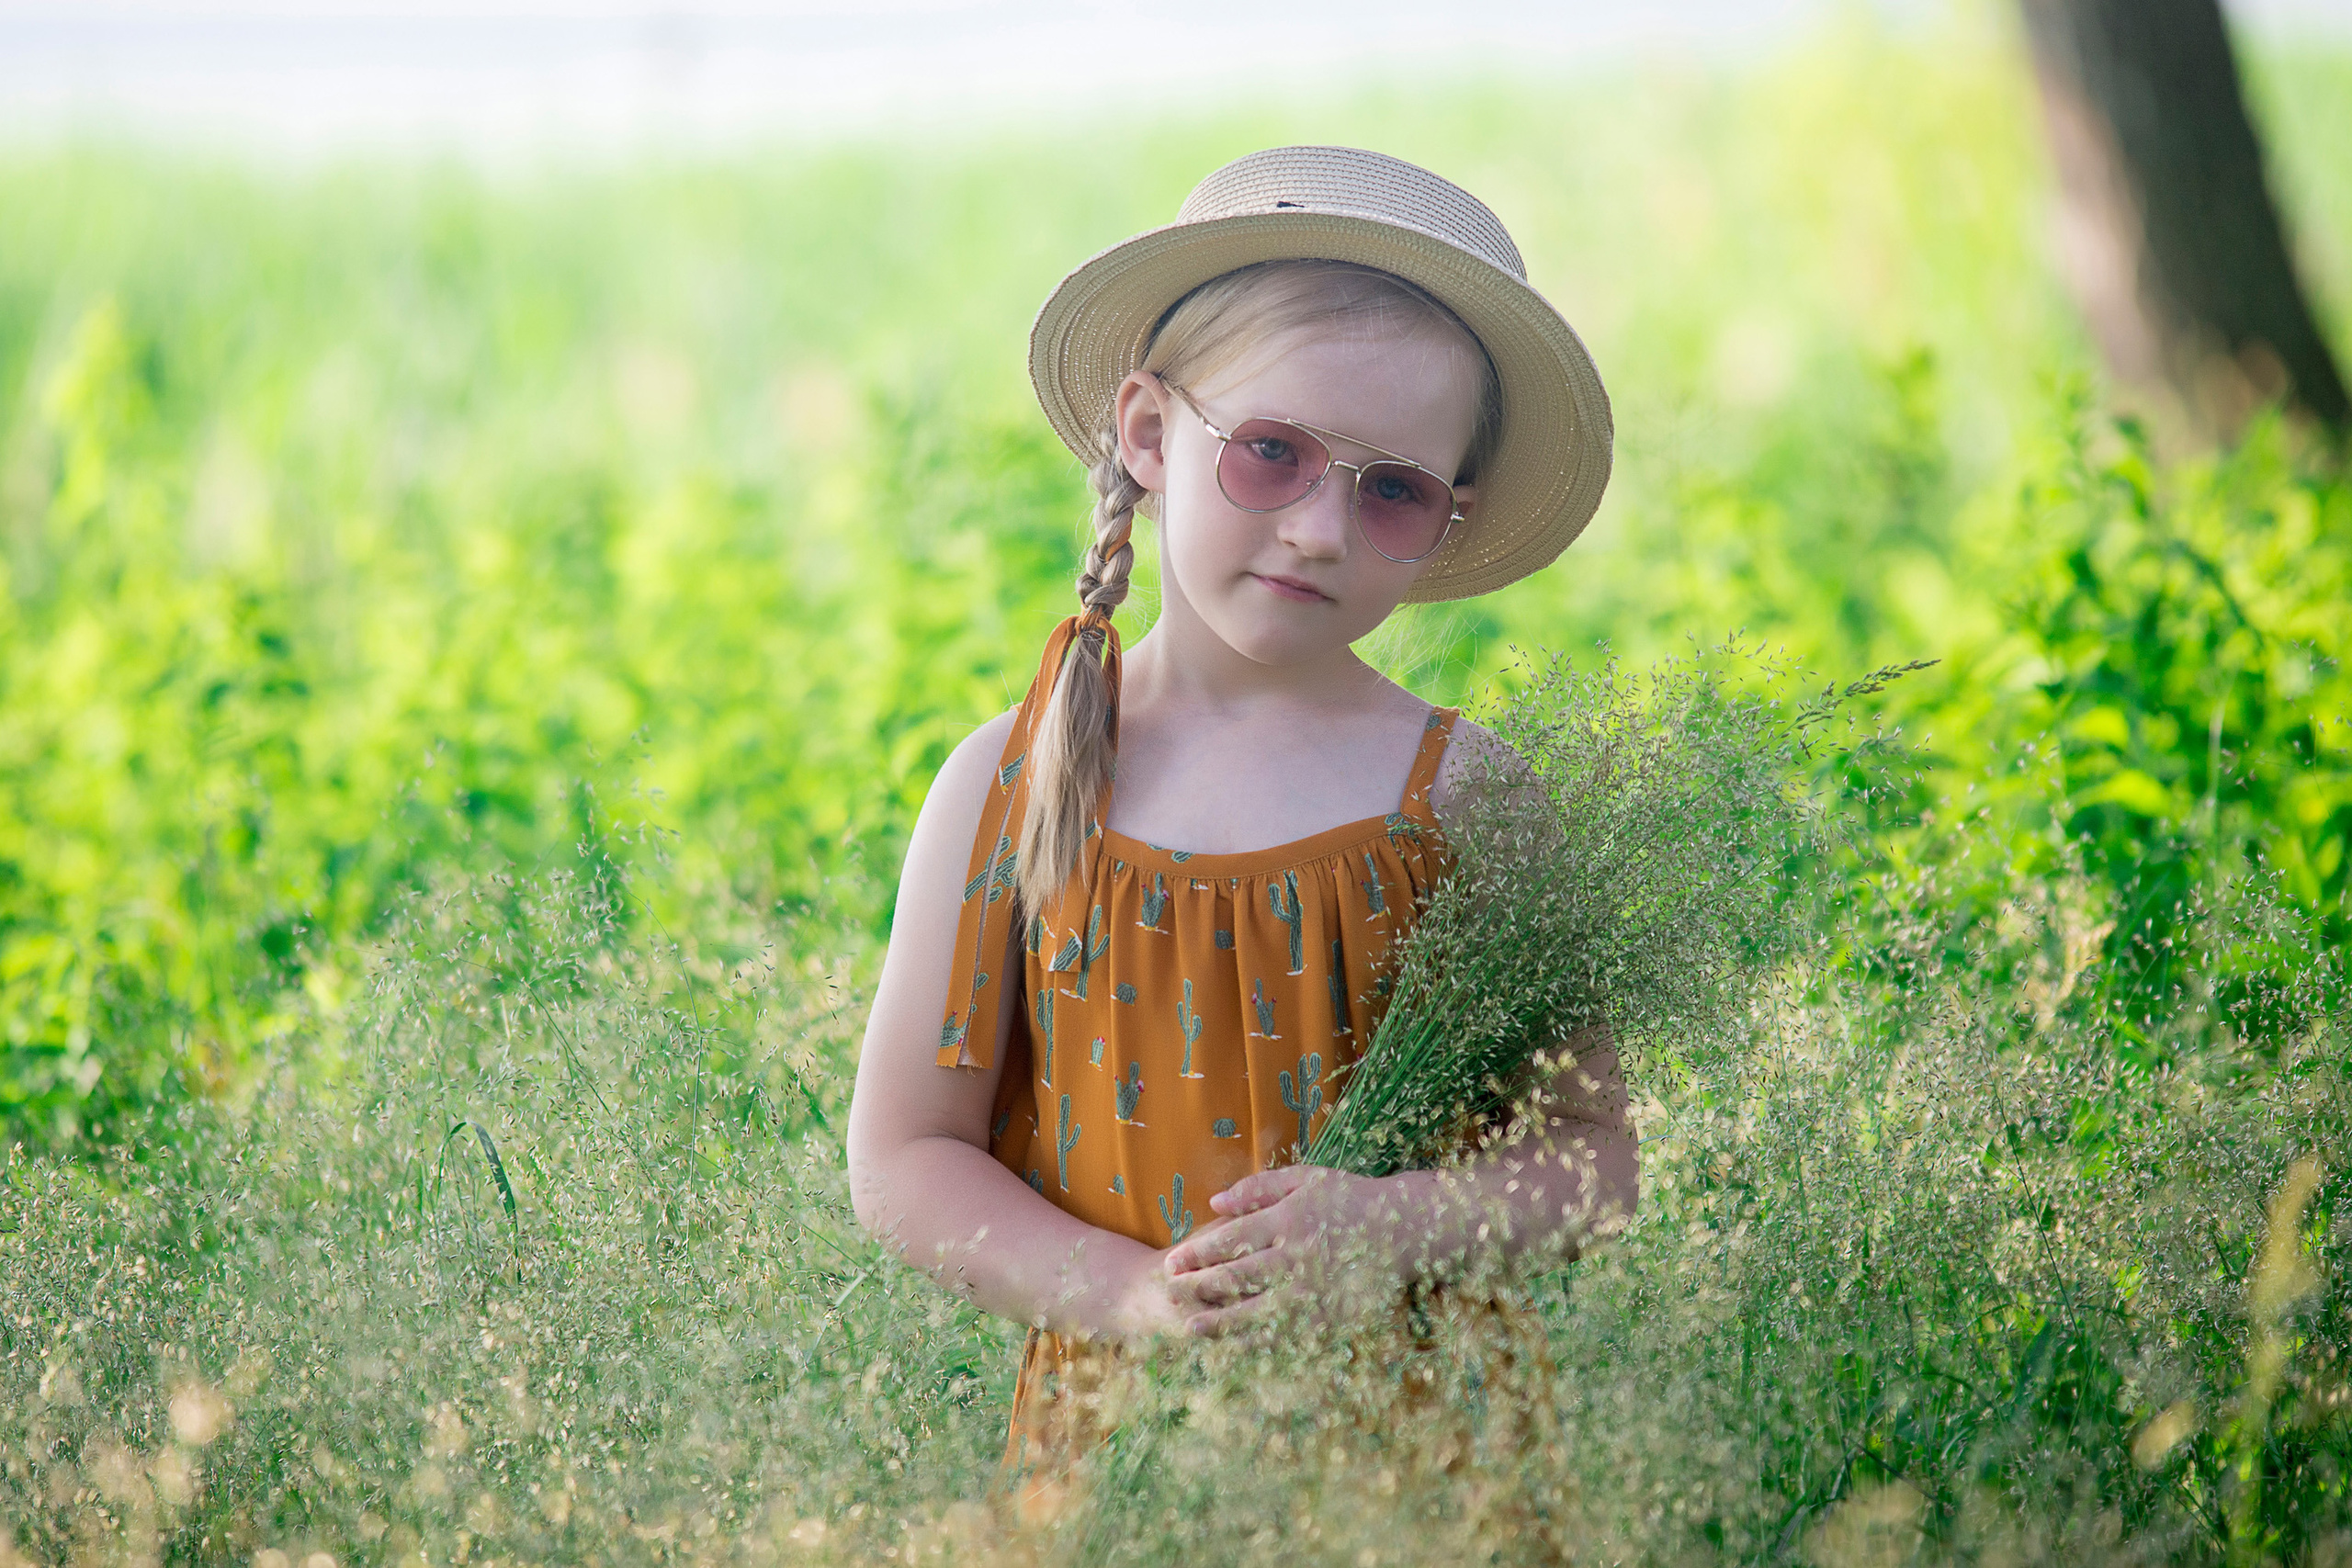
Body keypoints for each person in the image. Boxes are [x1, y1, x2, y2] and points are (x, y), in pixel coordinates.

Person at [844, 145, 1639, 1488]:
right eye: (1274, 453)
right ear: (1151, 435)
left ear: (1449, 521)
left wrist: (1390, 1227)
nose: (1322, 530)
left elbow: (1593, 1166)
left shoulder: (1468, 800)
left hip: (1425, 1471)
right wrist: (1126, 1295)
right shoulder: (1011, 785)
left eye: (1394, 489)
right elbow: (907, 1157)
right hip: (1120, 1462)